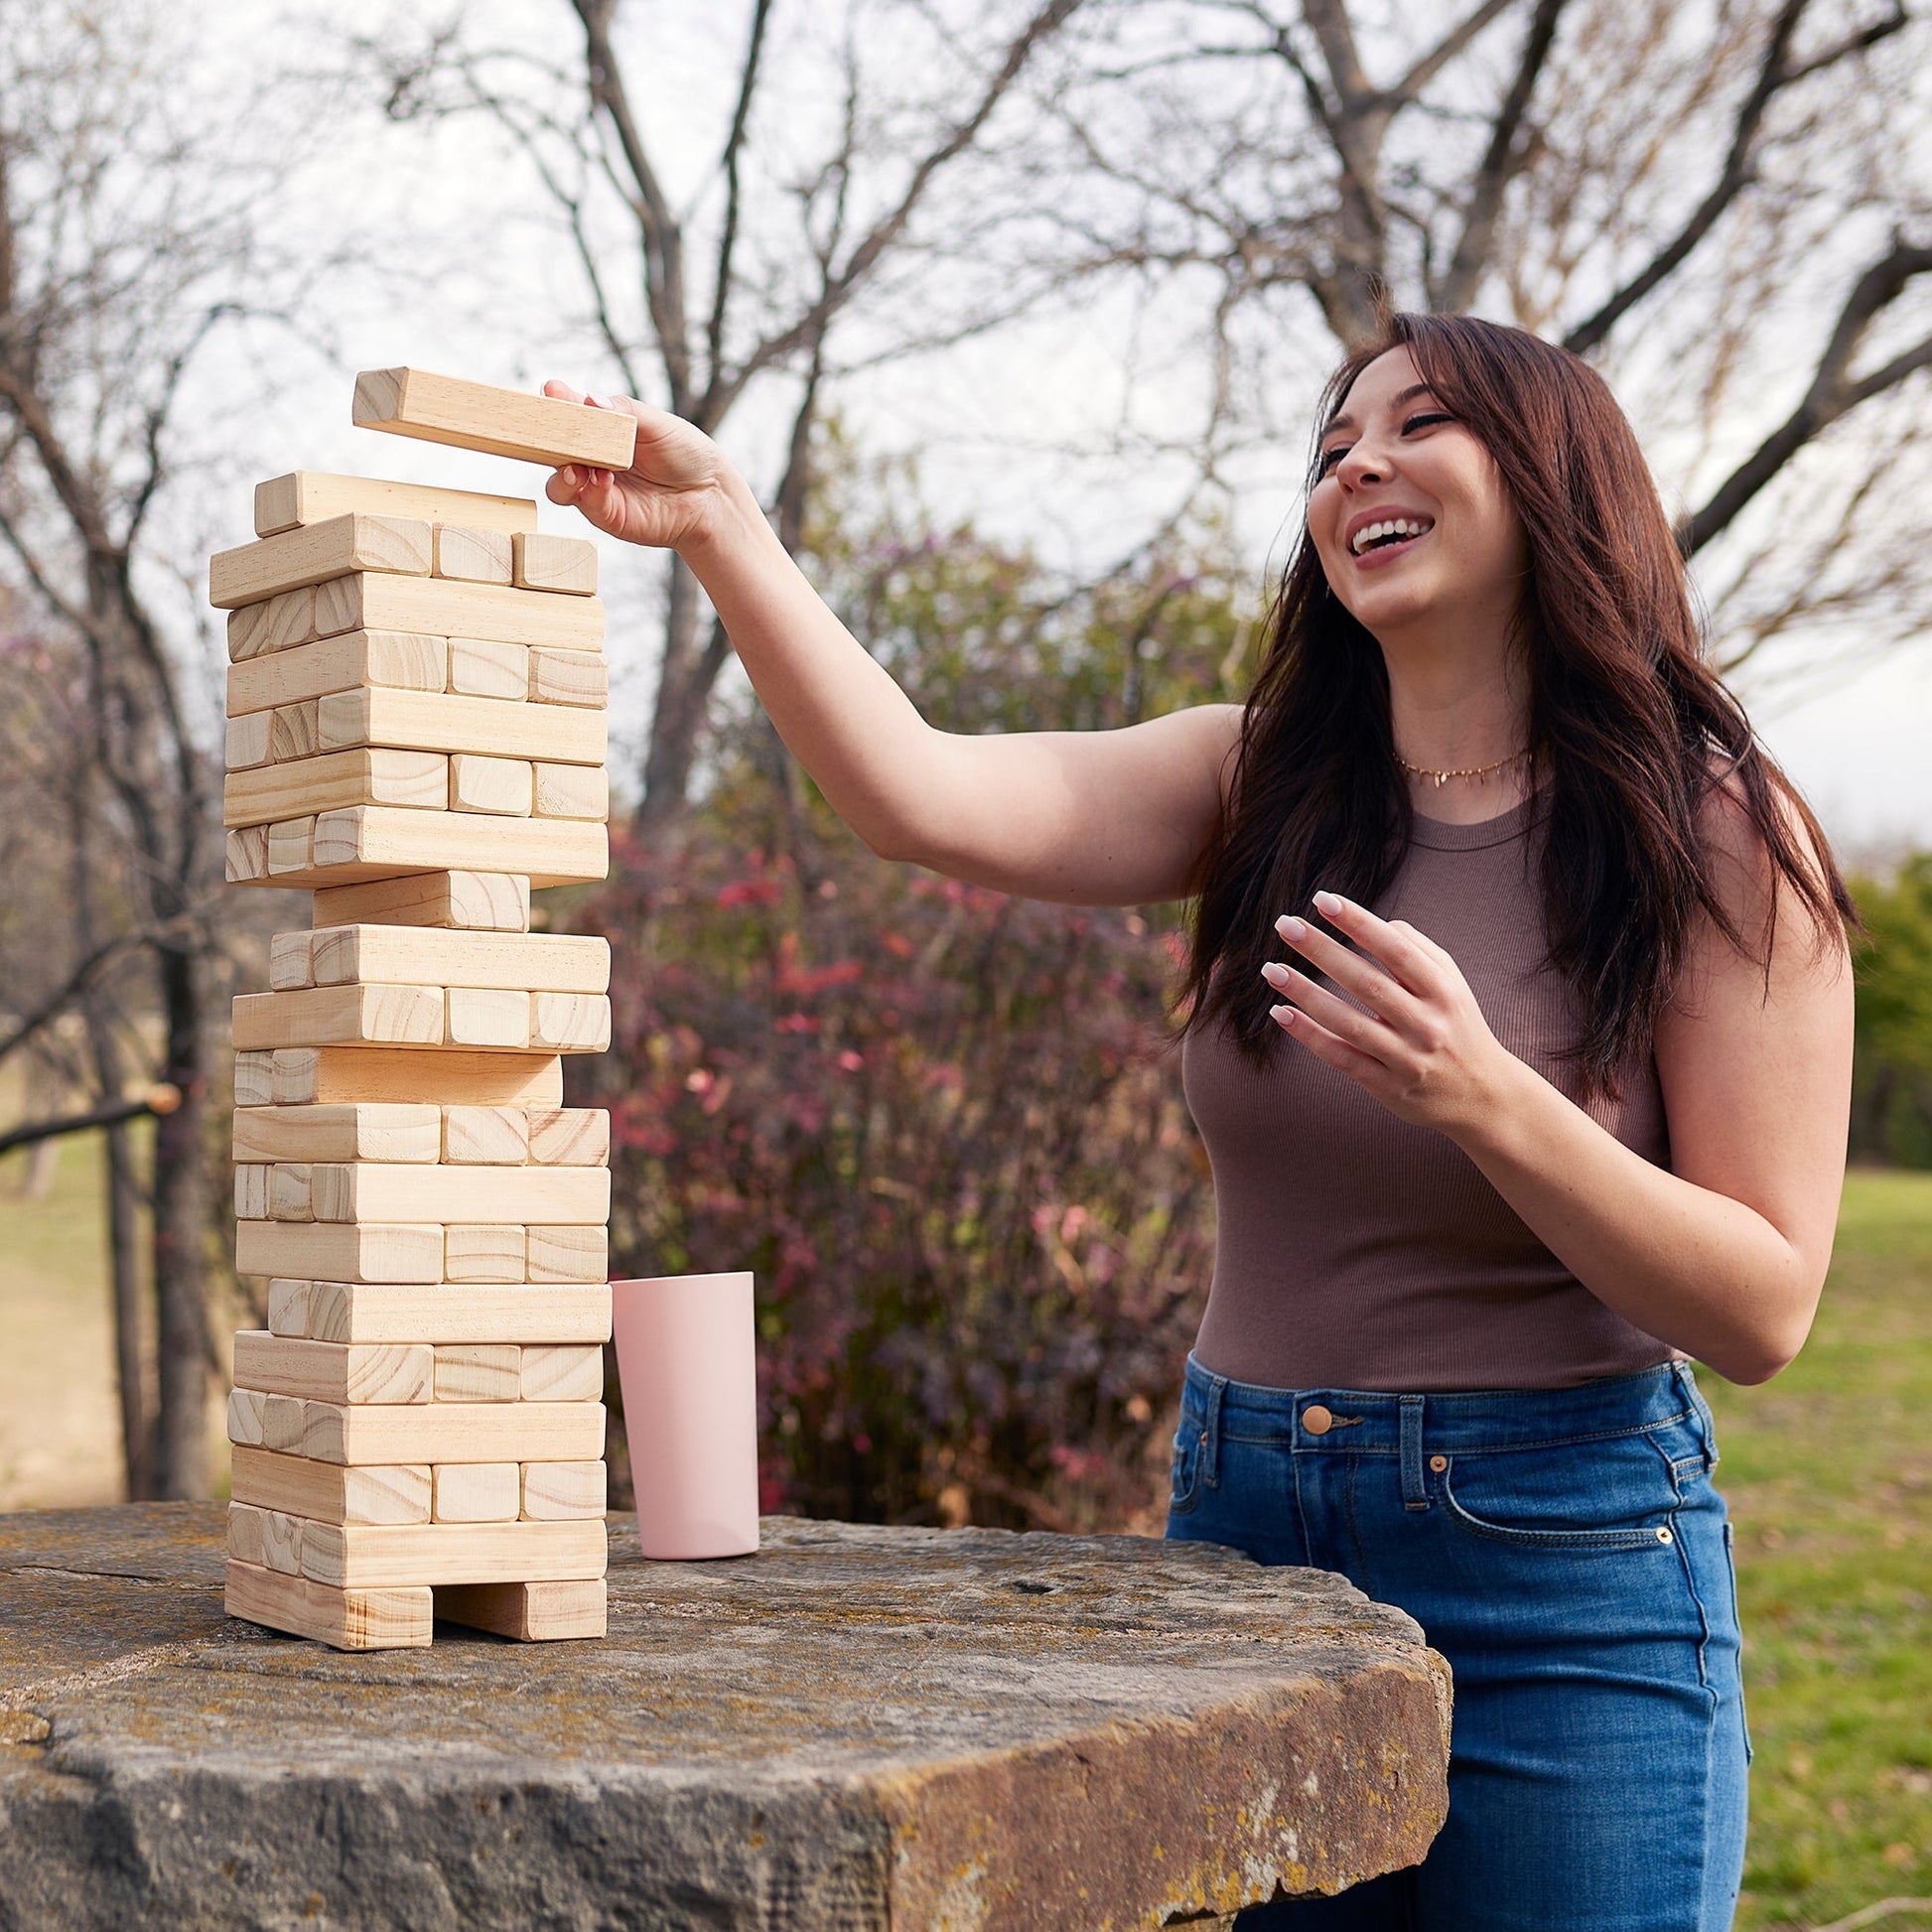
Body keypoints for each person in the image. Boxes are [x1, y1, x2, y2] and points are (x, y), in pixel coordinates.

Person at [541, 311, 1855, 1931]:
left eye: (1420, 424)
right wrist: (722, 525)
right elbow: (911, 791)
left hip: (1561, 1566)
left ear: (1557, 479)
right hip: (1248, 1533)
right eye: (1330, 446)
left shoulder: (1708, 823)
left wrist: (1483, 1094)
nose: (1356, 461)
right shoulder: (1259, 787)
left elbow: (1763, 1302)